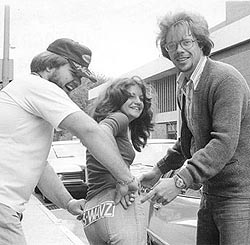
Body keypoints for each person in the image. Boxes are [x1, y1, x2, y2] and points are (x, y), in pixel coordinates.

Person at [0, 38, 138, 245]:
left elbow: (40, 167)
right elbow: (89, 130)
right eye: (74, 73)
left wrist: (68, 202)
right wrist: (126, 179)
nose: (78, 83)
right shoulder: (37, 85)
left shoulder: (25, 93)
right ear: (49, 66)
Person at [140, 10, 250, 245]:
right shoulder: (185, 85)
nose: (179, 50)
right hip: (210, 193)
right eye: (171, 45)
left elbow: (223, 142)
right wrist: (158, 171)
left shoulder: (225, 79)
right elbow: (188, 141)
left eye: (186, 42)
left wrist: (179, 181)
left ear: (200, 42)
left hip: (240, 197)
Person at [82, 76, 154, 245]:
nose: (138, 101)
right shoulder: (119, 118)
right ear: (117, 99)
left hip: (92, 210)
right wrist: (124, 179)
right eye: (130, 96)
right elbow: (101, 133)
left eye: (141, 98)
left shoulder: (117, 124)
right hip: (116, 203)